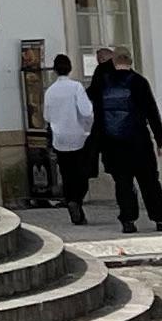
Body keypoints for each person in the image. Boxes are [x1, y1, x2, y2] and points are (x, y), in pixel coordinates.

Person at [90, 47, 162, 235]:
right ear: (131, 61)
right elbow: (152, 113)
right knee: (150, 181)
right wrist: (159, 140)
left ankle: (128, 220)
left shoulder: (103, 84)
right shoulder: (139, 82)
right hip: (139, 142)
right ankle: (160, 218)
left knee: (123, 183)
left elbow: (96, 113)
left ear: (113, 62)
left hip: (113, 143)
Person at [42, 52, 96, 226]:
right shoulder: (76, 87)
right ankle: (77, 200)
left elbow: (47, 116)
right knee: (82, 174)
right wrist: (87, 127)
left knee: (66, 174)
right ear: (70, 68)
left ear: (55, 70)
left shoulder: (50, 91)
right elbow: (87, 112)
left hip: (60, 138)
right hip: (79, 136)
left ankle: (71, 200)